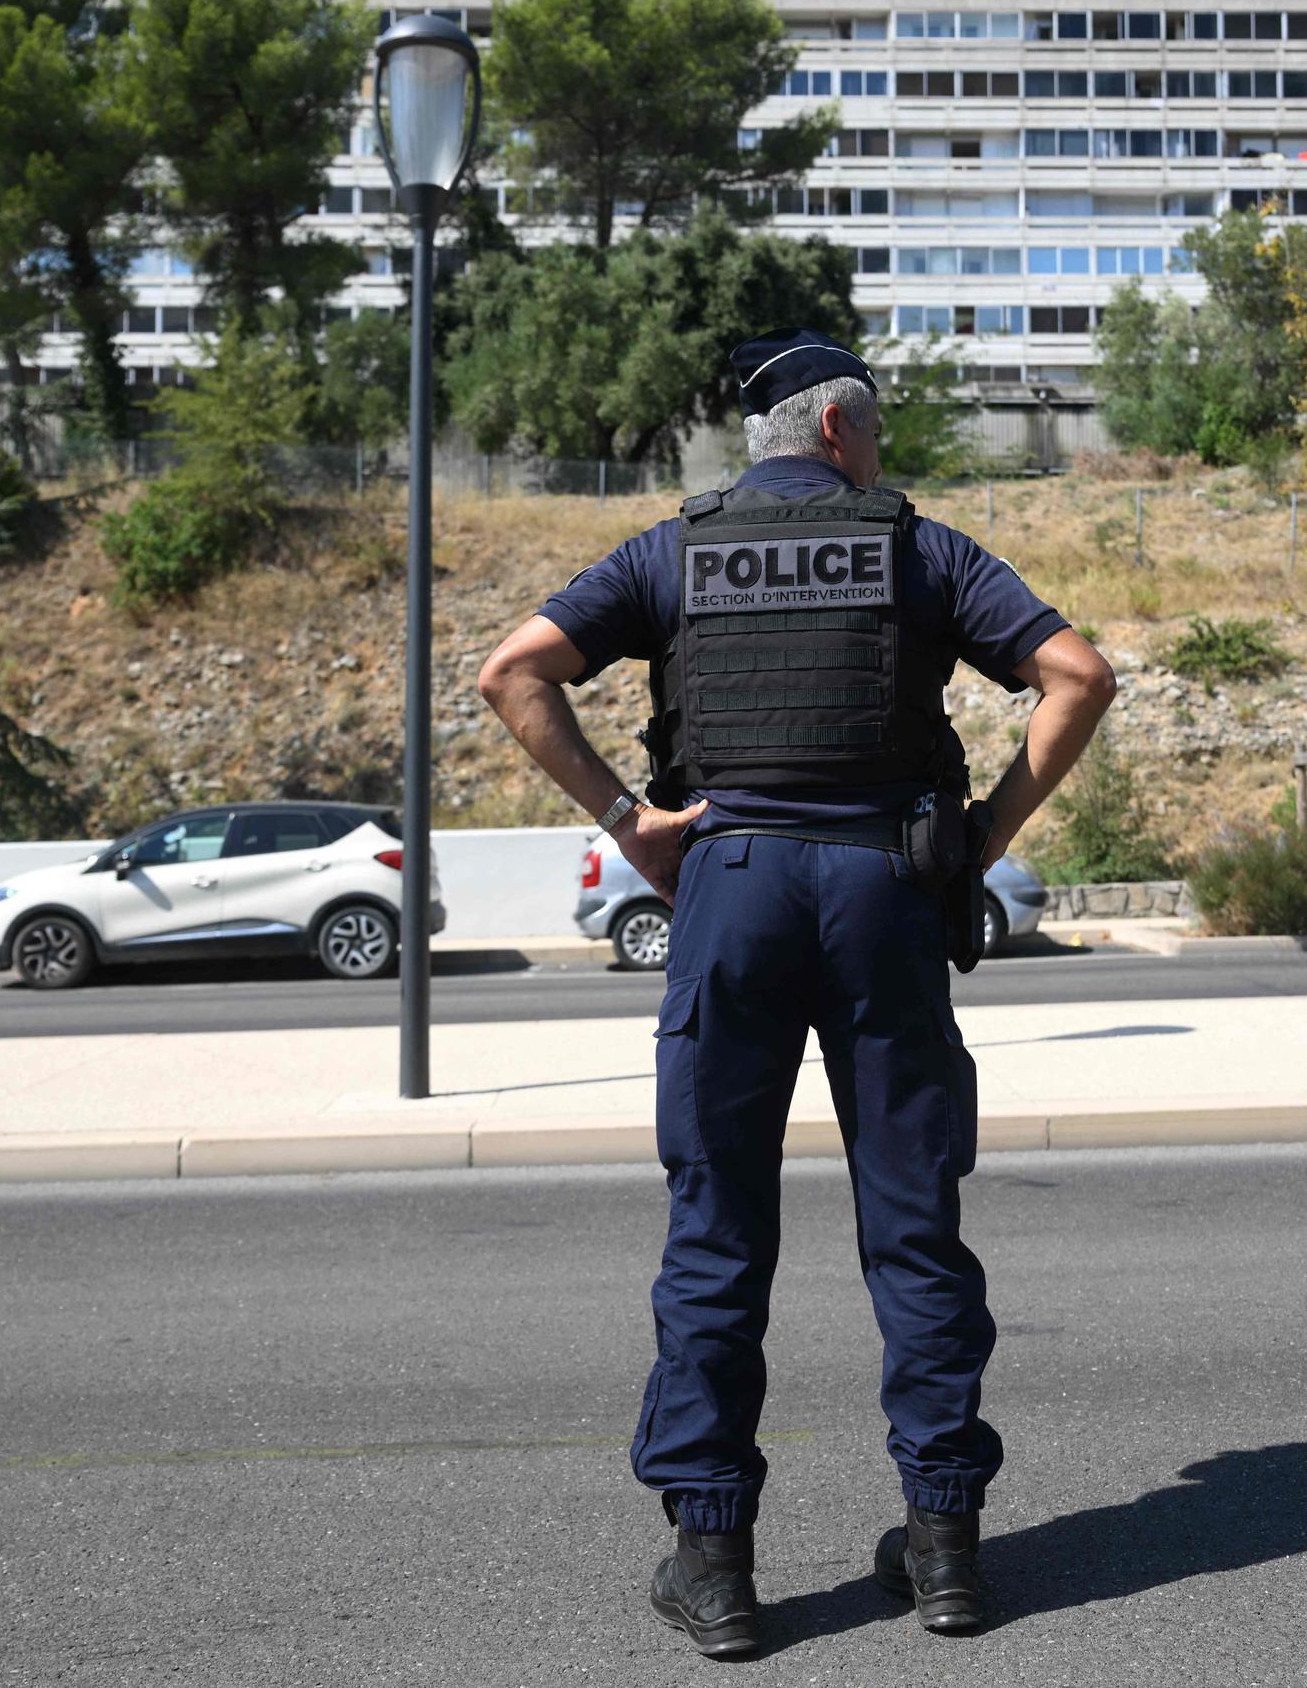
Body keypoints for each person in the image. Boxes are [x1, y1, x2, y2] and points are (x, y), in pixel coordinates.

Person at [476, 328, 1115, 1655]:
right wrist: (987, 836)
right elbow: (1079, 676)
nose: (881, 456)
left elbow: (511, 672)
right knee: (913, 1226)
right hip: (885, 892)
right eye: (874, 435)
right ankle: (944, 1551)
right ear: (838, 433)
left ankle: (715, 1569)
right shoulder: (920, 547)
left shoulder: (671, 549)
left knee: (718, 1228)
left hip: (732, 890)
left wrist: (628, 816)